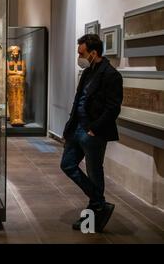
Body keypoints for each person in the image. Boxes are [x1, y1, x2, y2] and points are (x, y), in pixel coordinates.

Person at [61, 34, 123, 233]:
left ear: (93, 53)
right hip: (77, 128)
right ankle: (99, 203)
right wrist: (70, 127)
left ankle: (94, 213)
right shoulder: (87, 72)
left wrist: (94, 128)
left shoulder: (111, 75)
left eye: (81, 52)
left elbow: (113, 108)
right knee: (67, 165)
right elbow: (79, 100)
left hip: (93, 132)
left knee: (95, 172)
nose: (78, 56)